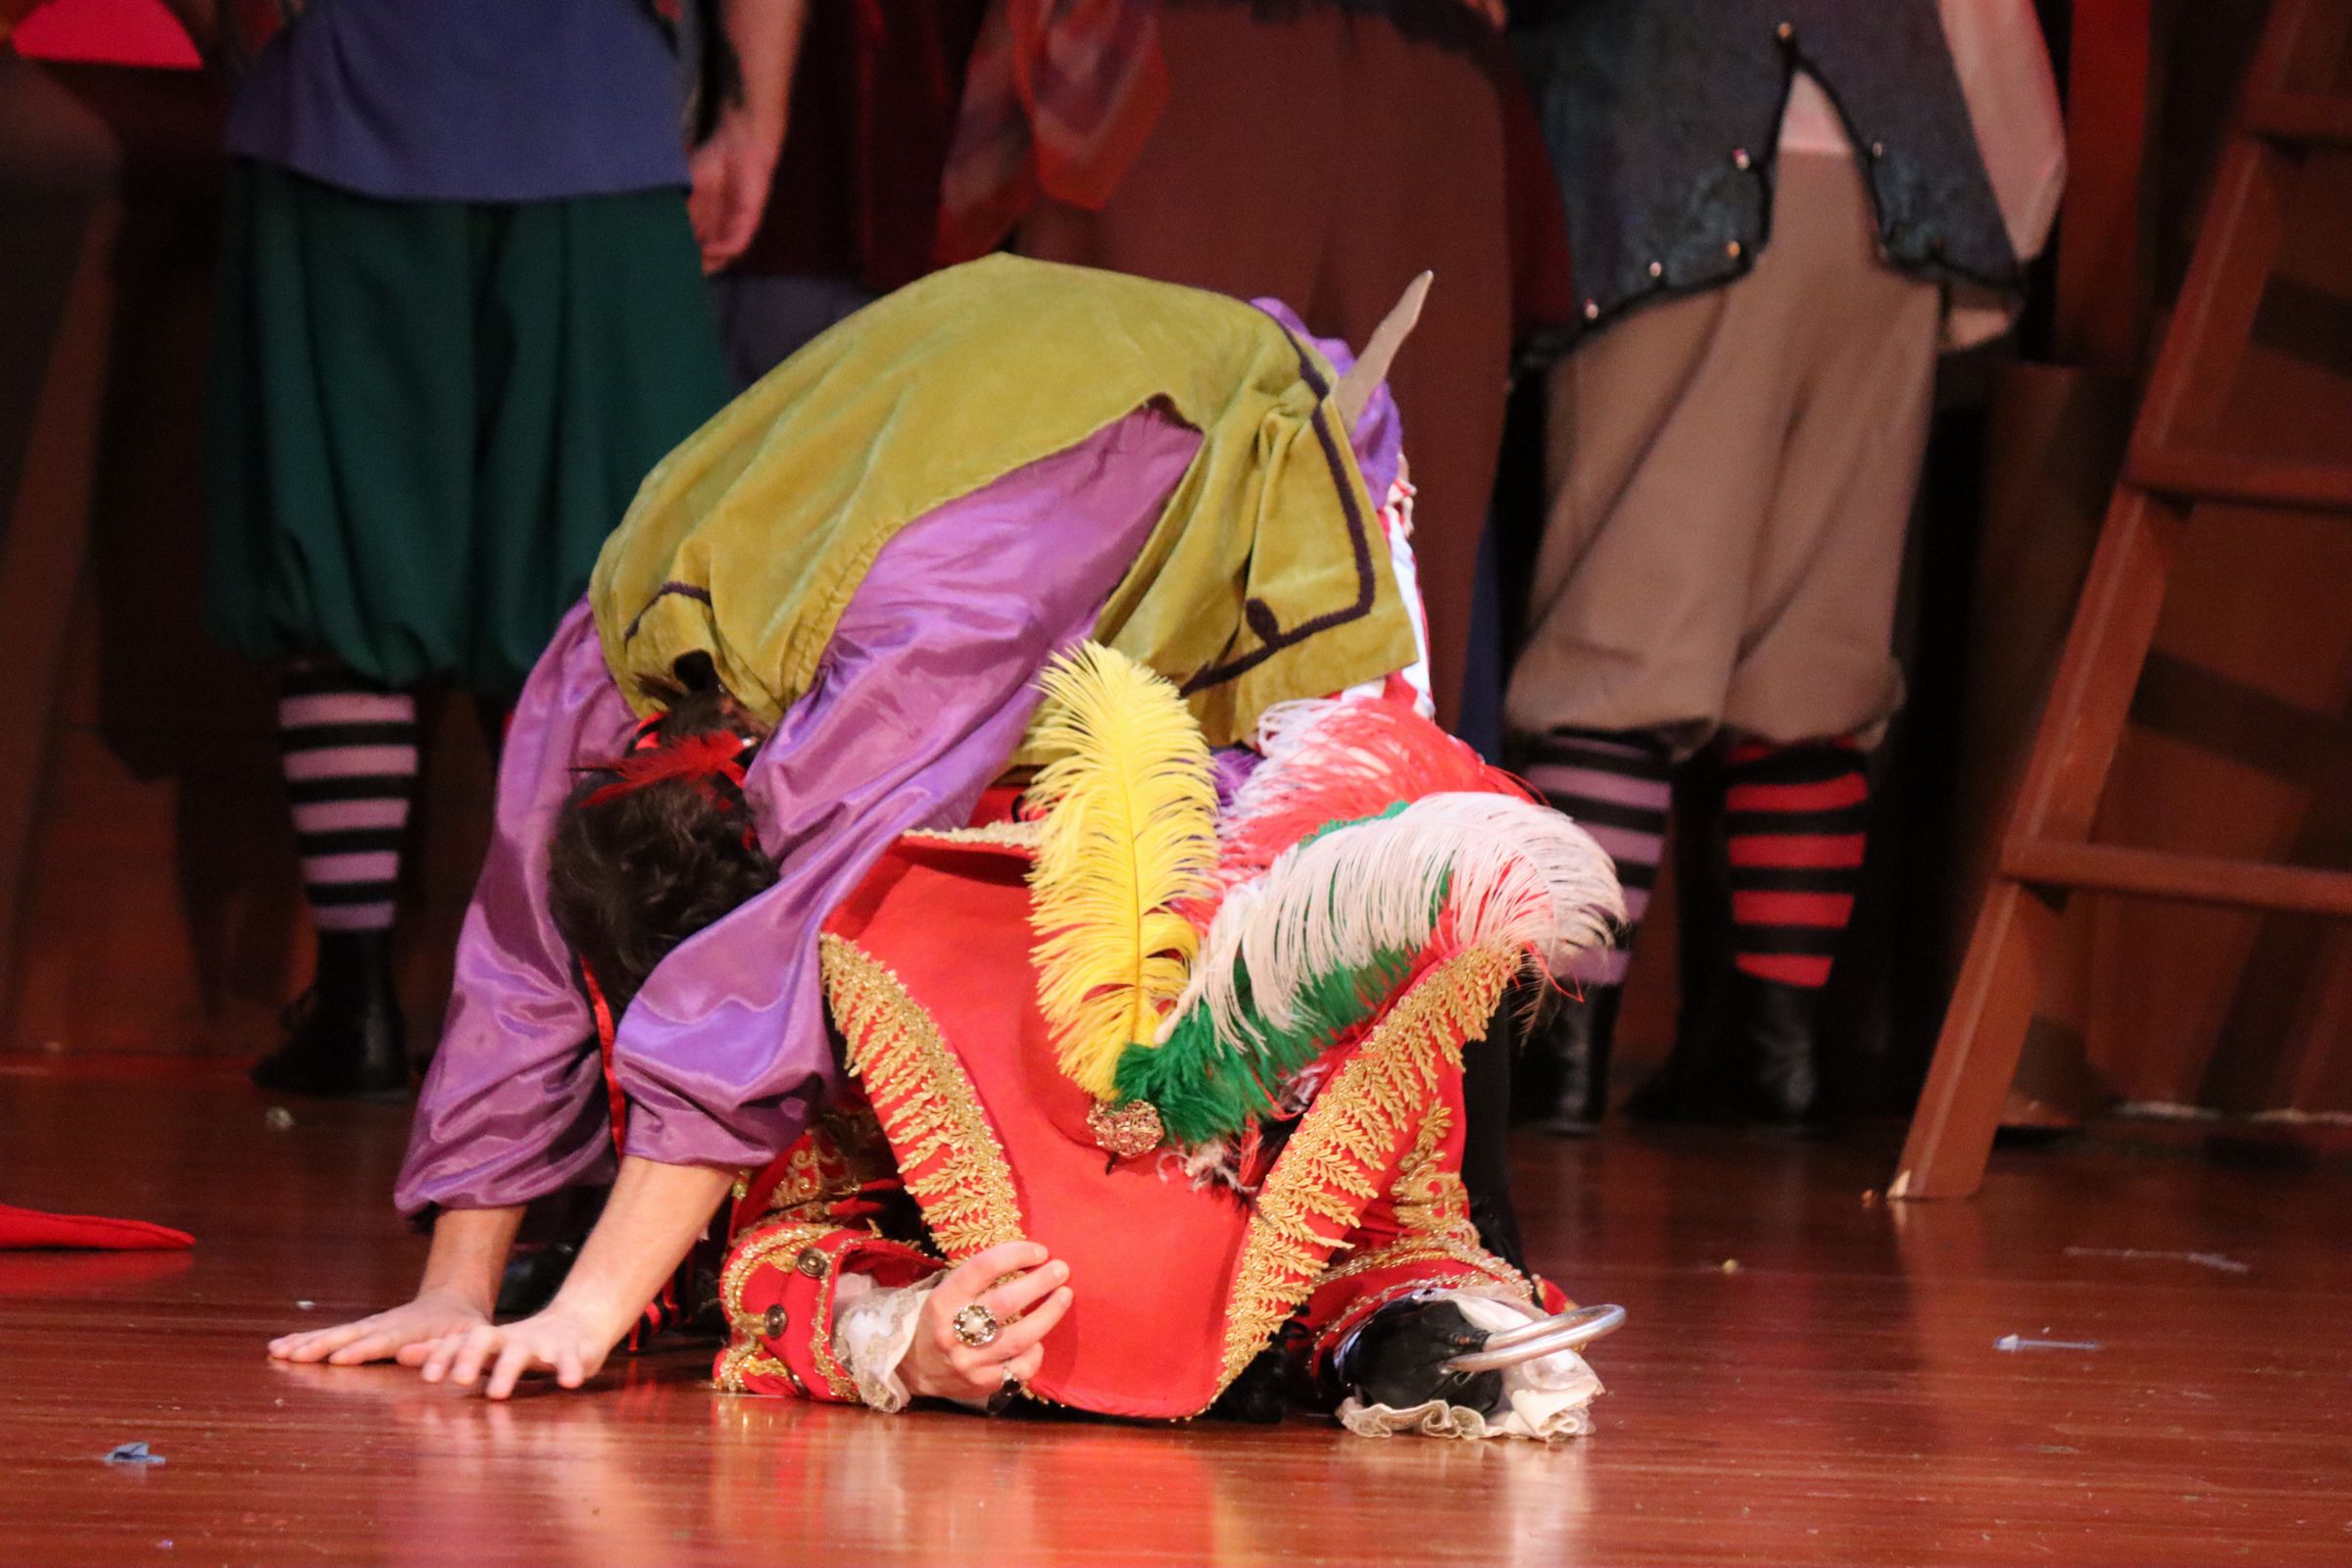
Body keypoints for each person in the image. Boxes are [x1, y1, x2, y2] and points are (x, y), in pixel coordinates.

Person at [266, 257, 1625, 1432]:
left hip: (1244, 433)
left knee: (1366, 847)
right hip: (1031, 426)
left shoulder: (908, 672)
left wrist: (585, 1313)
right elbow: (520, 950)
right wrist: (454, 1284)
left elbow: (748, 985)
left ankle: (1452, 1268)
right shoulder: (609, 662)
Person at [205, 0, 801, 1097]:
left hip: (356, 91)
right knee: (583, 589)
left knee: (355, 560)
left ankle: (360, 998)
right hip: (590, 102)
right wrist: (751, 117)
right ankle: (561, 1020)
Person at [1502, 0, 2065, 1134]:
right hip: (1883, 209)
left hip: (1668, 181)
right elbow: (2005, 77)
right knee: (1813, 656)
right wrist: (1971, 233)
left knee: (1622, 641)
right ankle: (1779, 1055)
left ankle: (1562, 1052)